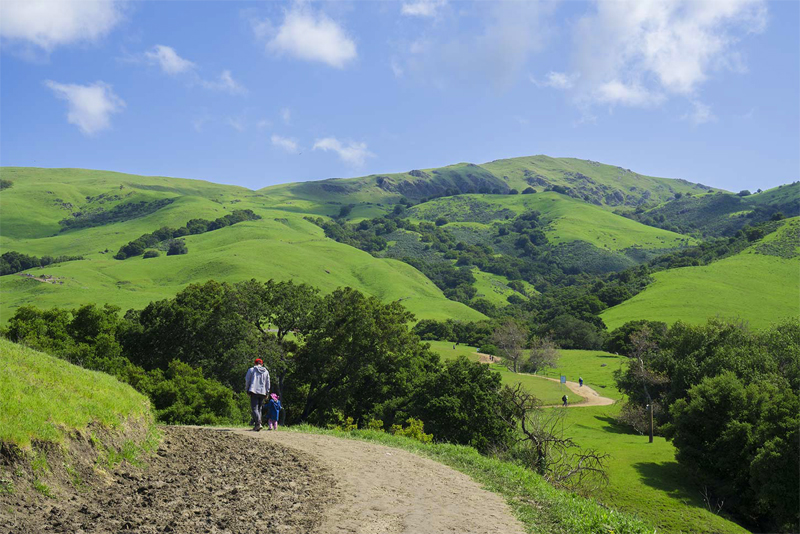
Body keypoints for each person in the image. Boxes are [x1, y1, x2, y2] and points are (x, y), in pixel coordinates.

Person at [245, 358, 270, 431]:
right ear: (262, 364)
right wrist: (267, 392)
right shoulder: (266, 372)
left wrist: (247, 389)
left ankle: (258, 423)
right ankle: (257, 425)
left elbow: (247, 380)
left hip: (254, 391)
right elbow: (268, 382)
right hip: (263, 391)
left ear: (255, 363)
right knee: (259, 408)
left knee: (254, 408)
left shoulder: (251, 370)